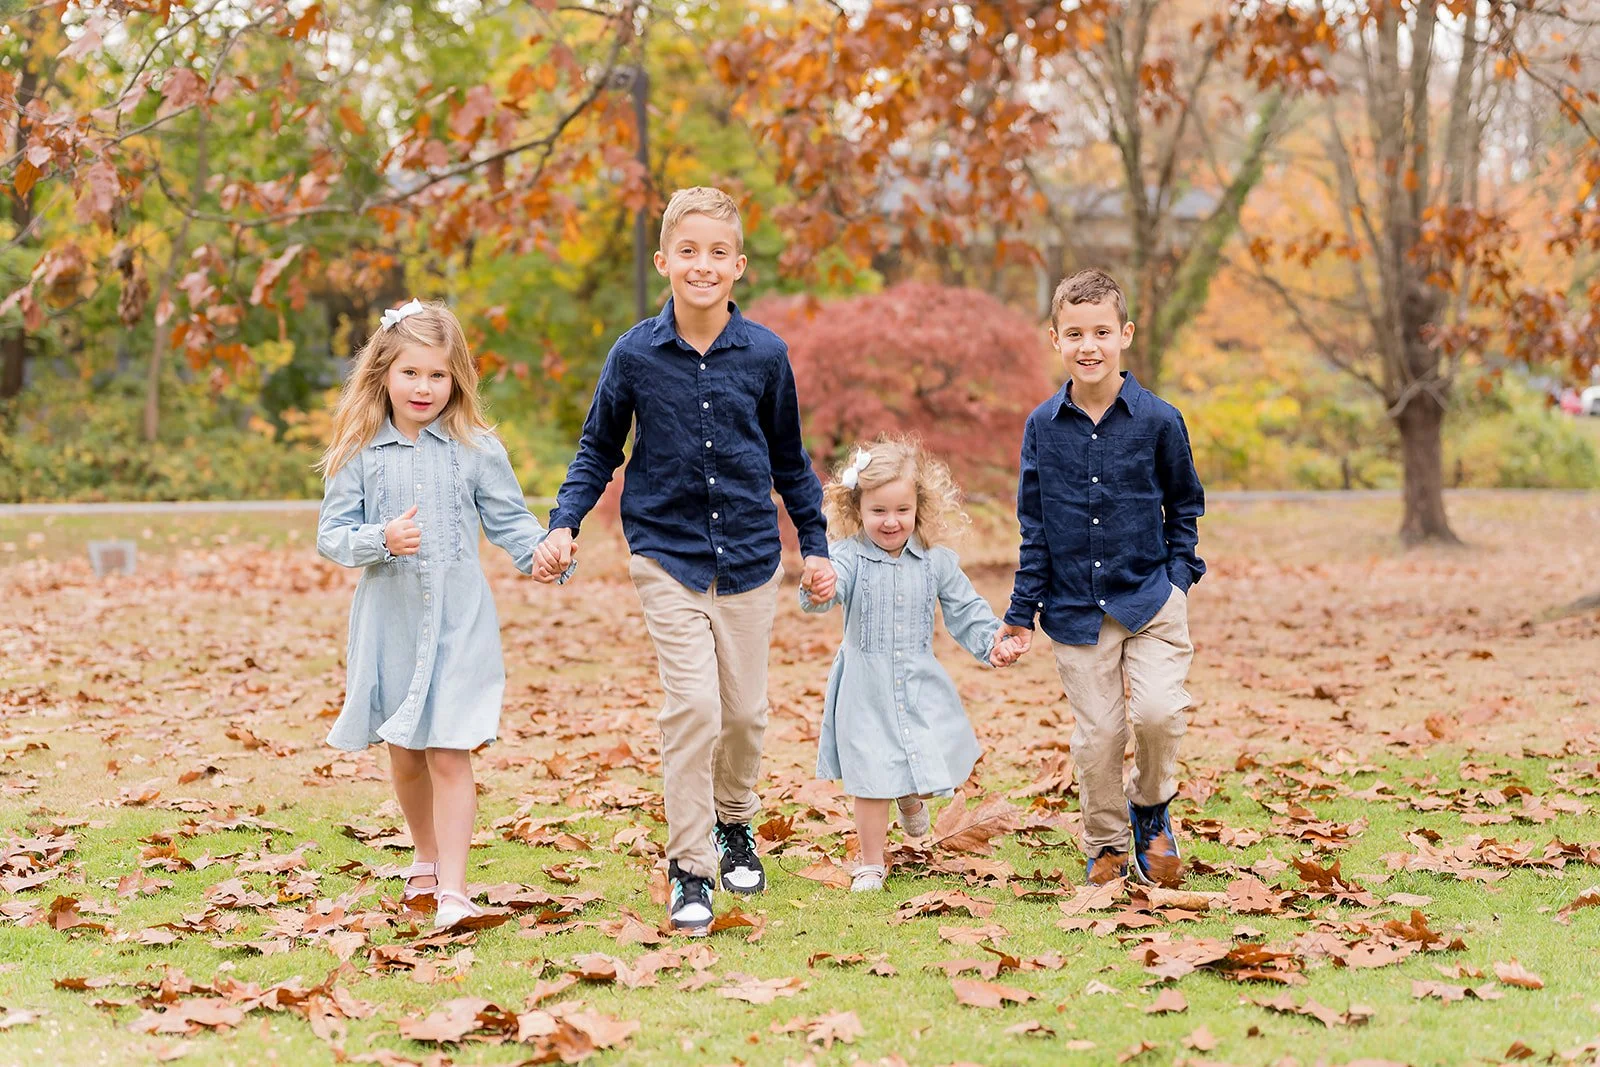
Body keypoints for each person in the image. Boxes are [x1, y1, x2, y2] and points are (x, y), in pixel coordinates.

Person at [532, 187, 835, 933]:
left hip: (752, 560)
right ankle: (690, 865)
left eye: (717, 253)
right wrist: (564, 522)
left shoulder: (765, 355)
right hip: (665, 554)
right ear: (665, 260)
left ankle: (736, 822)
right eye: (687, 251)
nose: (702, 265)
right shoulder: (634, 354)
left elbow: (790, 461)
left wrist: (817, 545)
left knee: (744, 715)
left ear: (738, 266)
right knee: (693, 706)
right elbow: (599, 446)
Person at [317, 298, 567, 929]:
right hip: (390, 620)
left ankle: (454, 891)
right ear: (383, 375)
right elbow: (332, 534)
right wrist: (381, 538)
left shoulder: (476, 448)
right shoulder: (361, 452)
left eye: (437, 374)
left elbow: (511, 524)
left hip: (460, 622)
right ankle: (424, 856)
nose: (424, 387)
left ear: (456, 378)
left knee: (452, 752)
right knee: (405, 753)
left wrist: (543, 554)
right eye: (411, 373)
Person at [995, 268, 1206, 888]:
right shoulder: (1041, 427)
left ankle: (1151, 808)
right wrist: (1020, 611)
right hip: (1075, 609)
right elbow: (1033, 526)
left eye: (1102, 332)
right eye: (1075, 333)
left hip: (1151, 600)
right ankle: (1109, 842)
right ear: (1055, 338)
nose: (1089, 345)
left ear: (1125, 335)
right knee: (1098, 739)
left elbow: (1185, 504)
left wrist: (1176, 578)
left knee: (1159, 715)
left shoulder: (1160, 420)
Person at [802, 436, 1020, 891]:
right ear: (857, 509)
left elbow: (966, 610)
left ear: (919, 506)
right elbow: (830, 587)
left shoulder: (935, 562)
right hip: (864, 684)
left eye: (901, 510)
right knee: (868, 772)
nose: (890, 521)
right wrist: (819, 586)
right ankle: (870, 861)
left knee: (921, 754)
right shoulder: (848, 557)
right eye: (878, 511)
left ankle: (909, 796)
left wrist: (993, 642)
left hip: (918, 681)